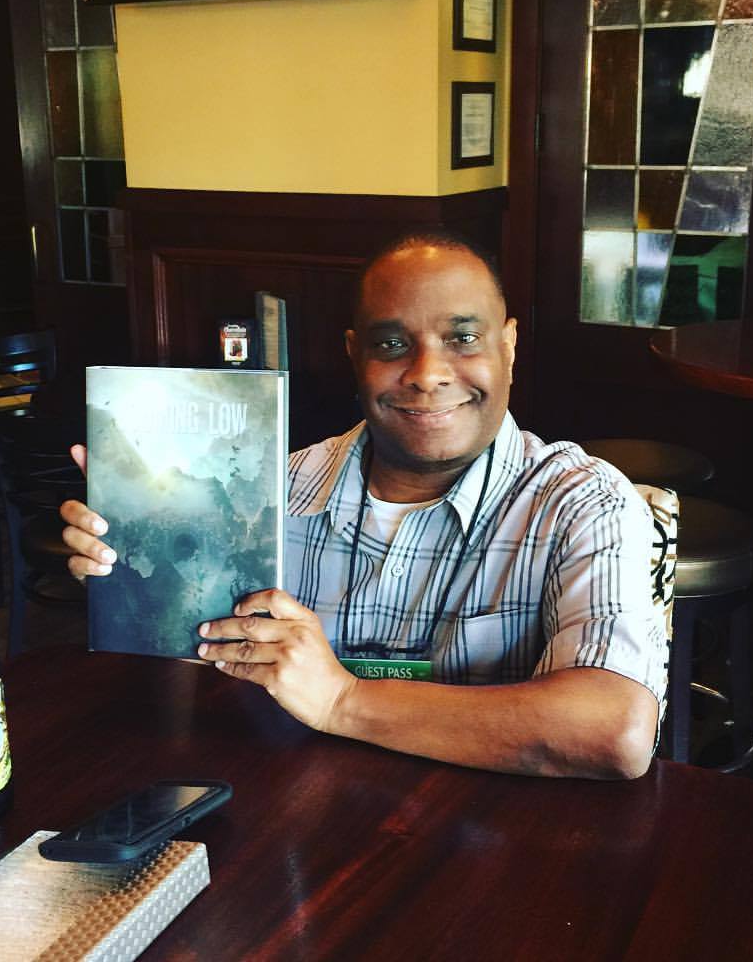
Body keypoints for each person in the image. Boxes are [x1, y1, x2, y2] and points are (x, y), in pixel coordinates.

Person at [62, 233, 667, 779]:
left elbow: (615, 732)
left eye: (463, 339)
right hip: (292, 818)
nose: (427, 374)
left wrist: (341, 701)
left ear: (508, 344)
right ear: (355, 354)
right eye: (392, 343)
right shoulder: (269, 493)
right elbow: (196, 687)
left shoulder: (582, 503)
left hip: (492, 840)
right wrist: (140, 573)